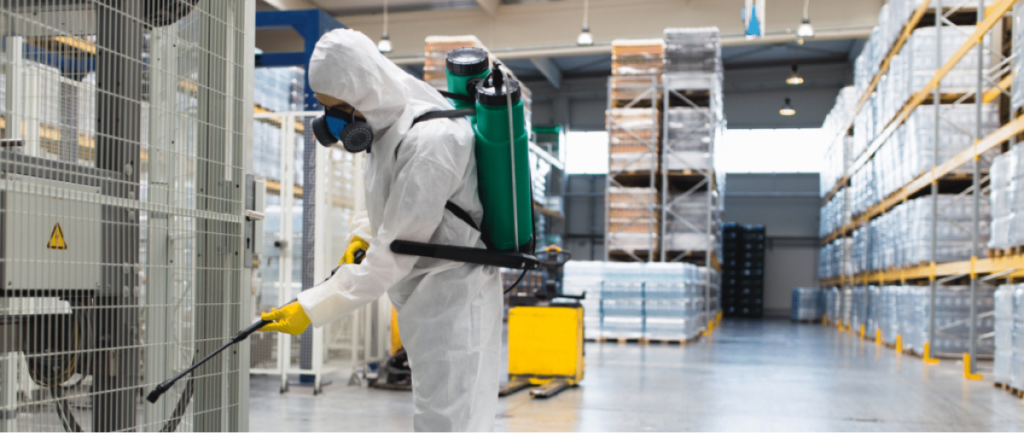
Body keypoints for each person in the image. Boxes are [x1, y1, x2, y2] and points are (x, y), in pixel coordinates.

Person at [259, 29, 503, 433]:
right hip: (426, 302)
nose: (330, 123)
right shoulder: (389, 127)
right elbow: (385, 199)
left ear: (362, 91)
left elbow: (394, 254)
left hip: (456, 305)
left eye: (335, 108)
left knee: (450, 423)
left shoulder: (433, 140)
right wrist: (362, 235)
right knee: (439, 418)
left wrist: (311, 307)